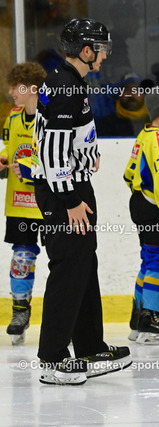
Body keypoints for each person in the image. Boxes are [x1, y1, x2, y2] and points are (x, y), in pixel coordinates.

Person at [32, 18, 131, 385]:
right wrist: (71, 198)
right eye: (102, 49)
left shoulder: (69, 82)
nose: (105, 56)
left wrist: (86, 157)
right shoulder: (64, 87)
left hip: (72, 188)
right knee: (68, 271)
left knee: (83, 266)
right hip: (65, 195)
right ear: (86, 51)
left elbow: (63, 141)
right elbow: (53, 152)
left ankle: (89, 346)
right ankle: (53, 358)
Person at [124, 86, 159, 345]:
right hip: (152, 206)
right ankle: (152, 317)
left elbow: (128, 174)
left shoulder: (144, 134)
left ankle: (138, 319)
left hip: (139, 203)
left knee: (149, 258)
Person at [0, 62, 47, 345]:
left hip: (48, 203)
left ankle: (63, 316)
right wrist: (4, 161)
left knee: (62, 261)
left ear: (32, 89)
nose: (10, 92)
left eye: (15, 87)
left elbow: (55, 157)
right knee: (21, 258)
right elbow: (10, 148)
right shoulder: (13, 117)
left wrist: (31, 166)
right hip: (19, 204)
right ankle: (20, 311)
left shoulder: (51, 118)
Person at [97, 72, 148, 137]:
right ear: (119, 94)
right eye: (126, 89)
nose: (131, 94)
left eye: (136, 89)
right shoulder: (108, 123)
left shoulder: (153, 121)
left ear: (144, 95)